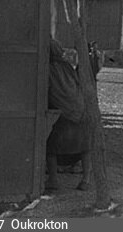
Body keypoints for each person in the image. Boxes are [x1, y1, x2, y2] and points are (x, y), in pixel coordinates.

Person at [46, 39, 92, 191]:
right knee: (85, 147)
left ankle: (53, 180)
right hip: (80, 112)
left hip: (64, 115)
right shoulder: (67, 66)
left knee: (50, 147)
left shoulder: (48, 70)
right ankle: (86, 180)